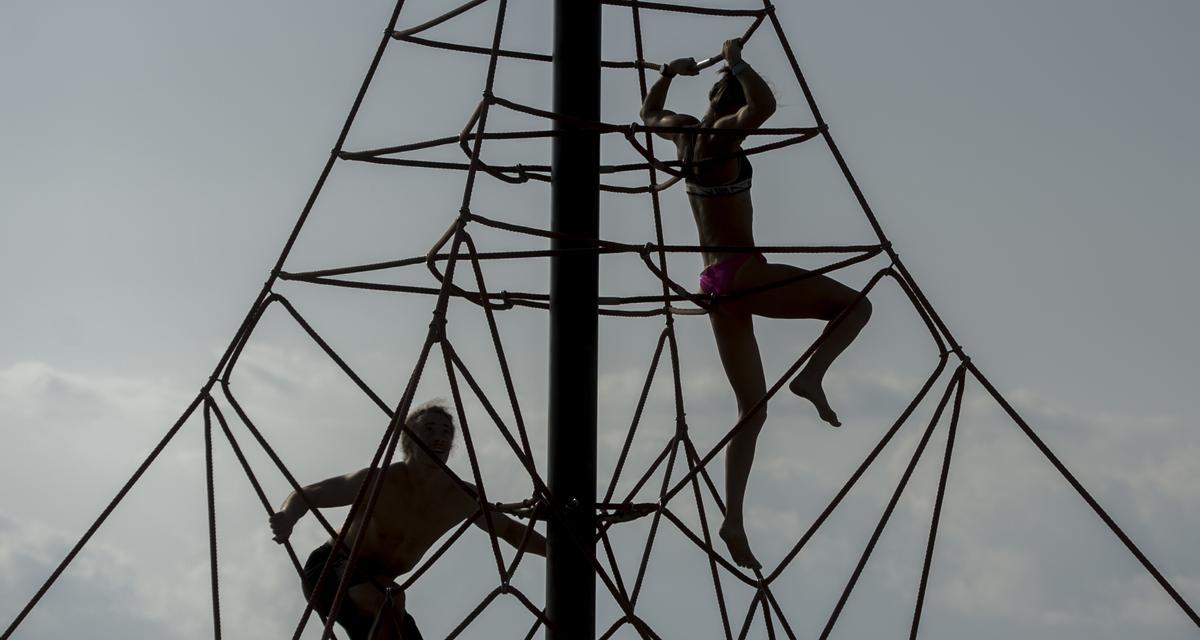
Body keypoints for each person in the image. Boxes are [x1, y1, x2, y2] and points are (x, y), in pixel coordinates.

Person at [640, 39, 872, 570]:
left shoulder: (682, 132)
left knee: (752, 409)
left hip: (713, 284)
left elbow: (648, 112)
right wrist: (738, 59)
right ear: (730, 102)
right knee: (855, 307)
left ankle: (733, 519)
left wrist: (668, 73)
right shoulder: (722, 137)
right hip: (743, 272)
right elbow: (763, 107)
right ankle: (812, 377)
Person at [269, 400, 547, 639]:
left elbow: (509, 530)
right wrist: (287, 516)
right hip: (333, 569)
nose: (439, 437)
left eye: (446, 432)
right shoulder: (381, 481)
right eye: (429, 429)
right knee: (390, 597)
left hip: (381, 589)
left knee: (392, 611)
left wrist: (560, 551)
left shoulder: (461, 496)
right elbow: (311, 493)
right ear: (408, 440)